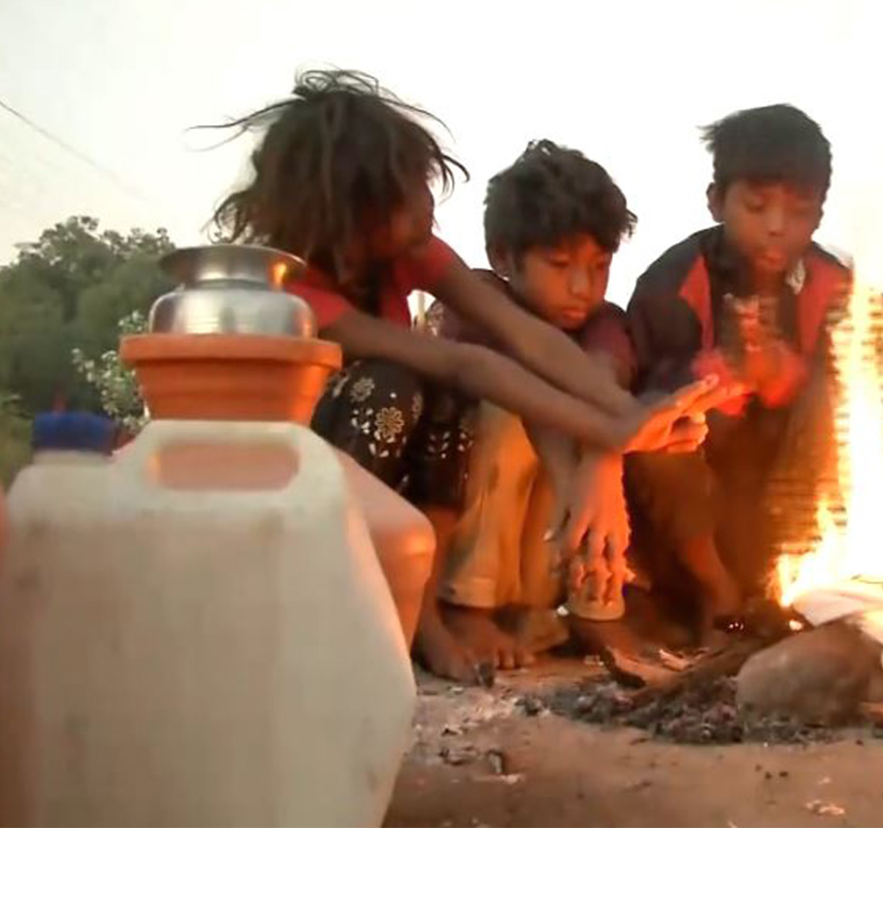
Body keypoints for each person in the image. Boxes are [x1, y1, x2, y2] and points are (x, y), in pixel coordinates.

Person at [207, 71, 730, 682]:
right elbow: (469, 362)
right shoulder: (299, 299)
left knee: (442, 400)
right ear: (355, 218)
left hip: (401, 475)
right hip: (307, 485)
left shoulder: (408, 251)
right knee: (398, 386)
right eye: (410, 195)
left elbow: (521, 335)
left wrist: (626, 421)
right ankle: (421, 617)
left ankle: (430, 606)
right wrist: (620, 432)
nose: (429, 206)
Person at [625, 104, 849, 637]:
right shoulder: (671, 284)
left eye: (797, 212)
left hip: (788, 503)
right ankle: (718, 598)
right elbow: (640, 408)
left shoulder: (832, 284)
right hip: (698, 511)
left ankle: (804, 589)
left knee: (838, 404)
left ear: (818, 215)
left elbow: (846, 403)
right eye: (756, 206)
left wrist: (779, 375)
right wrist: (726, 378)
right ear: (715, 201)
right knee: (664, 430)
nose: (777, 227)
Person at [436, 139, 640, 669]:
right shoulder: (480, 299)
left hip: (545, 540)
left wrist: (602, 465)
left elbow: (607, 384)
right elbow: (518, 382)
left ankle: (579, 608)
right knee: (507, 418)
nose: (582, 287)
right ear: (504, 257)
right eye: (559, 264)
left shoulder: (604, 321)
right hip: (457, 497)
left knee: (610, 438)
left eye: (599, 266)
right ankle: (468, 604)